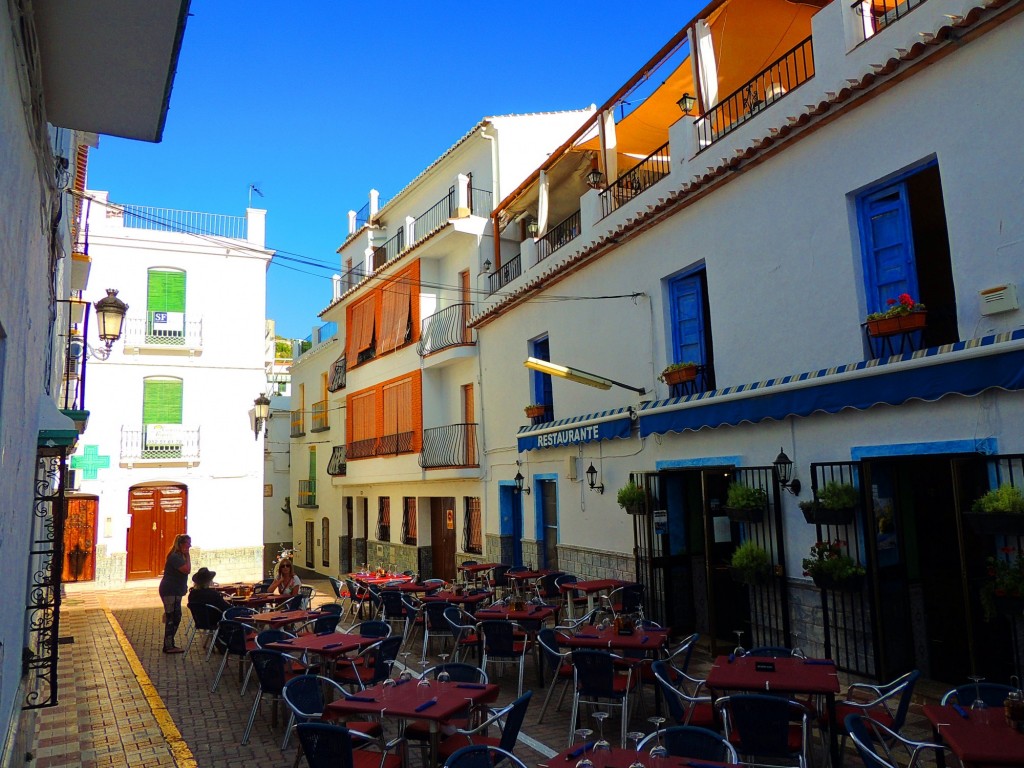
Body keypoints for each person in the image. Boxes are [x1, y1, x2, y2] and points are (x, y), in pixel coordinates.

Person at [158, 534, 191, 653]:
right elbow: (187, 570)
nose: (190, 545)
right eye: (188, 543)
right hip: (170, 590)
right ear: (181, 544)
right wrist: (188, 555)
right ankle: (168, 646)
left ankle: (170, 644)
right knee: (172, 617)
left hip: (175, 590)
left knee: (176, 616)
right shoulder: (175, 557)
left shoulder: (179, 556)